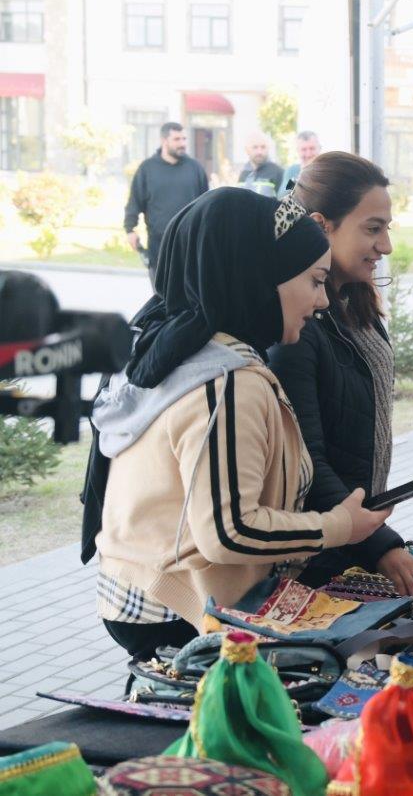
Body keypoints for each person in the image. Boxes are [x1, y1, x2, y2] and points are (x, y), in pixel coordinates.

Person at [84, 187, 392, 659]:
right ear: (260, 278)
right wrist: (338, 526)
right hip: (180, 616)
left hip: (148, 601)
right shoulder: (225, 383)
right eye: (313, 281)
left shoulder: (180, 348)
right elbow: (229, 530)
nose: (323, 301)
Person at [267, 152, 413, 603]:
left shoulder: (353, 300)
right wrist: (381, 545)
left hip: (350, 545)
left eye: (387, 229)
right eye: (372, 228)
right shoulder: (296, 328)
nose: (386, 247)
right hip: (316, 560)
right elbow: (306, 460)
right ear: (322, 225)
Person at [124, 122, 209, 284]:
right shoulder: (147, 169)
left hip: (190, 248)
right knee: (161, 301)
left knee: (191, 303)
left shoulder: (195, 168)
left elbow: (206, 205)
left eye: (184, 138)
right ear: (164, 141)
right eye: (177, 139)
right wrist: (130, 229)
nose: (183, 143)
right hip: (159, 248)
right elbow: (134, 201)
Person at [277, 130, 321, 196]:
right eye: (304, 149)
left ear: (319, 148)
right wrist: (299, 177)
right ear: (297, 151)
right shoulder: (292, 170)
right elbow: (281, 196)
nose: (308, 154)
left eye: (312, 148)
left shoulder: (328, 169)